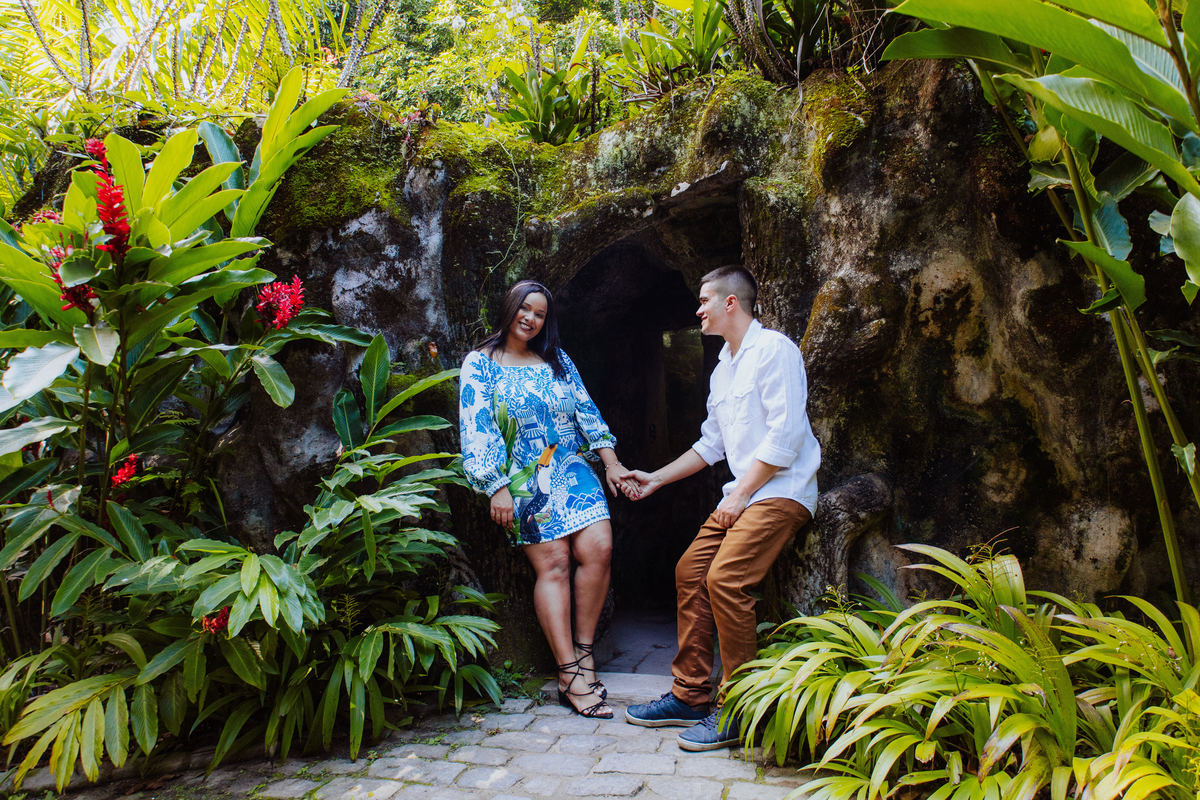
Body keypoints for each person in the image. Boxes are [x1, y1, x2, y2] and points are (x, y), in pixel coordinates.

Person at [619, 265, 820, 750]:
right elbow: (711, 444)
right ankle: (690, 695)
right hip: (742, 495)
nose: (698, 309)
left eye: (705, 300)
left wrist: (739, 495)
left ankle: (740, 709)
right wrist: (656, 478)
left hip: (780, 492)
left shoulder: (774, 350)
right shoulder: (722, 369)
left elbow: (787, 435)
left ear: (731, 302)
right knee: (690, 572)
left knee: (726, 579)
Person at [458, 280, 630, 719]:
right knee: (552, 564)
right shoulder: (481, 364)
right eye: (525, 309)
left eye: (540, 314)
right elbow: (477, 425)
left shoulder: (556, 360)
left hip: (572, 469)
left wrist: (610, 463)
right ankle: (569, 673)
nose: (531, 318)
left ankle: (585, 652)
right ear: (510, 308)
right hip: (521, 478)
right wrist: (494, 484)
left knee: (600, 548)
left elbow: (587, 412)